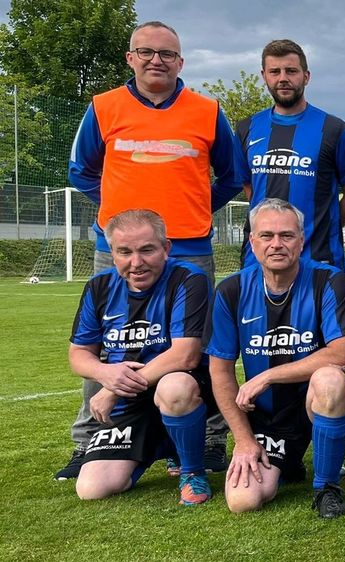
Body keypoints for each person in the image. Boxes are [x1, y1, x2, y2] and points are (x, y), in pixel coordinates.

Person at [63, 20, 241, 479]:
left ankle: (207, 438)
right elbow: (81, 172)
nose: (156, 60)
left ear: (181, 61)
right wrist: (118, 219)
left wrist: (195, 209)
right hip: (117, 249)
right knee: (107, 343)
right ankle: (91, 439)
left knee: (199, 346)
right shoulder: (103, 107)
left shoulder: (207, 110)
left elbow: (232, 177)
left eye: (166, 54)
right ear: (130, 57)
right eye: (146, 52)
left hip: (189, 247)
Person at [206, 198, 345, 518]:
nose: (277, 244)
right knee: (243, 501)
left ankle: (327, 487)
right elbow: (219, 371)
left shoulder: (327, 280)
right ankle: (286, 464)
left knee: (331, 378)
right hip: (264, 416)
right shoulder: (231, 290)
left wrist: (267, 376)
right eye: (267, 236)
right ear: (252, 241)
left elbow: (342, 354)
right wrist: (244, 439)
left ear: (301, 241)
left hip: (309, 404)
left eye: (287, 236)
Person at [68, 209, 213, 506]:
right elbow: (79, 355)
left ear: (166, 248)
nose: (136, 263)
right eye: (125, 252)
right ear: (113, 252)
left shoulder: (189, 279)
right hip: (128, 400)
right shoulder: (99, 287)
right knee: (92, 488)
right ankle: (164, 443)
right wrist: (103, 373)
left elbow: (185, 355)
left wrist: (111, 388)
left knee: (175, 387)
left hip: (180, 387)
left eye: (147, 250)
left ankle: (191, 470)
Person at [236, 39, 345, 274]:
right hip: (258, 263)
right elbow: (249, 187)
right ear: (264, 76)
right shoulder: (247, 128)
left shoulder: (333, 129)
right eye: (275, 71)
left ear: (306, 76)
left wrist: (321, 229)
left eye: (291, 71)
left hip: (320, 260)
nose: (283, 78)